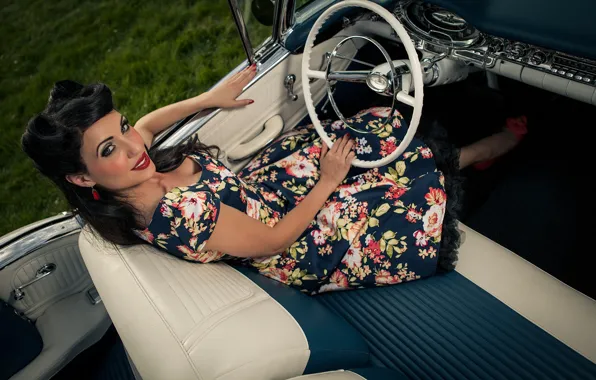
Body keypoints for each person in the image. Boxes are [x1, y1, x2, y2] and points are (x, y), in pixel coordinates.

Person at [21, 66, 524, 294]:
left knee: (367, 137)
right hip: (299, 239)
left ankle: (458, 156)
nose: (135, 147)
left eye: (123, 127)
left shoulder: (132, 169)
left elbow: (148, 125)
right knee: (385, 182)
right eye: (109, 149)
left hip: (265, 193)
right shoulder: (175, 214)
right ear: (80, 176)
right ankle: (471, 156)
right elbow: (275, 238)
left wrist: (206, 101)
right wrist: (328, 182)